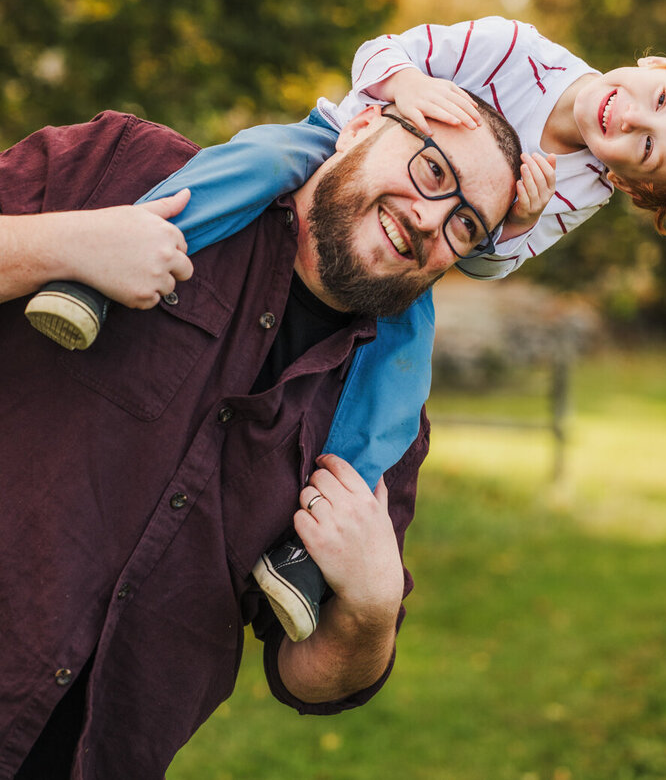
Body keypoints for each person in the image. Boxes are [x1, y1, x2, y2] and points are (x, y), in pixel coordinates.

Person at [22, 17, 666, 644]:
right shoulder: (519, 51)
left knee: (402, 369)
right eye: (658, 100)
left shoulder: (580, 189)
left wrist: (514, 224)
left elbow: (486, 260)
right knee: (250, 161)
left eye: (646, 148)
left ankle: (315, 548)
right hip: (336, 146)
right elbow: (382, 50)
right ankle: (94, 271)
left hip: (411, 253)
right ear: (658, 61)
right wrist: (411, 84)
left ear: (633, 182)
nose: (629, 119)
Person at [0, 99, 521, 779]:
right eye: (431, 169)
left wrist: (370, 608)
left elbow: (306, 676)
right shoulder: (130, 169)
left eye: (465, 226)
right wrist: (61, 246)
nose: (430, 220)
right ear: (361, 128)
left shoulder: (382, 426)